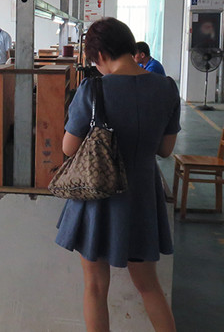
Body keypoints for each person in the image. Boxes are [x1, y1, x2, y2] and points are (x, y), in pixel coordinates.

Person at [55, 18, 179, 332]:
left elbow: (68, 148)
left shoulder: (94, 89)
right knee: (149, 286)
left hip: (98, 196)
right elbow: (166, 149)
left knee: (96, 287)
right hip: (143, 198)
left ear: (99, 55)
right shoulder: (166, 87)